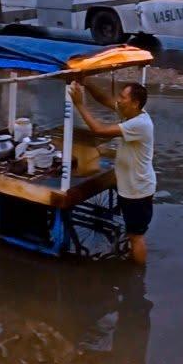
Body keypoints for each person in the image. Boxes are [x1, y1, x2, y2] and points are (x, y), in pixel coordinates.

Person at [69, 79, 156, 265]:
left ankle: (138, 277)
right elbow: (104, 99)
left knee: (136, 236)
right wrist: (88, 82)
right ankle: (132, 261)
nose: (118, 100)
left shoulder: (140, 124)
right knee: (133, 232)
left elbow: (98, 129)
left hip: (137, 191)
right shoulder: (130, 114)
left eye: (123, 97)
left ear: (135, 103)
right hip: (130, 187)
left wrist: (79, 104)